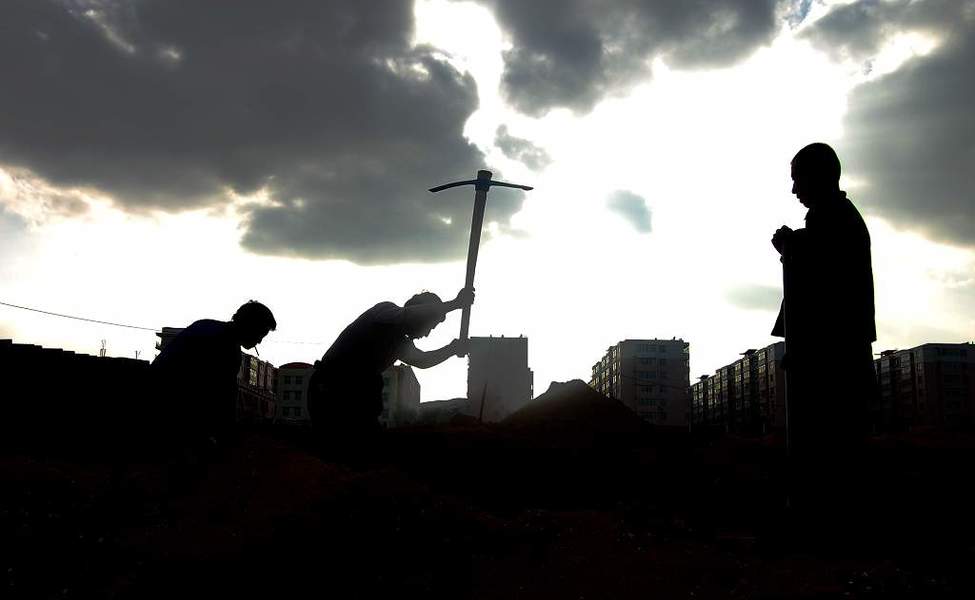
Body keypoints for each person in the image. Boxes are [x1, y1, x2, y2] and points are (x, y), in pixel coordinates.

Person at [771, 143, 878, 524]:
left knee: (828, 444)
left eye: (798, 179)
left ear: (819, 176)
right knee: (832, 444)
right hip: (837, 348)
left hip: (834, 351)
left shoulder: (832, 218)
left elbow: (823, 285)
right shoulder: (833, 218)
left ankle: (824, 523)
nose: (794, 189)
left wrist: (791, 247)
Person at [308, 288, 474, 451]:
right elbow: (407, 315)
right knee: (335, 447)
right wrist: (455, 304)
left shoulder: (400, 344)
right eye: (430, 326)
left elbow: (423, 360)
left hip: (356, 397)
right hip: (330, 388)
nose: (427, 334)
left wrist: (451, 349)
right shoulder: (384, 311)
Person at [148, 300, 276, 451]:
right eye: (260, 334)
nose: (259, 341)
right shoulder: (226, 347)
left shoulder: (206, 326)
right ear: (250, 326)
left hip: (156, 404)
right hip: (168, 415)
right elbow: (220, 397)